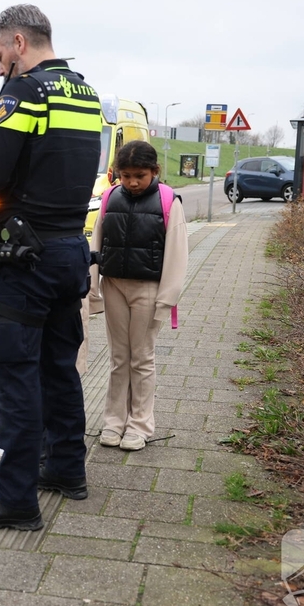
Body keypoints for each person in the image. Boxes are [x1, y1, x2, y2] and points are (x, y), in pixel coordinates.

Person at [0, 5, 102, 531]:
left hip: (25, 259)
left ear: (18, 41)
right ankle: (65, 470)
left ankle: (14, 498)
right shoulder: (86, 93)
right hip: (68, 253)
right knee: (61, 368)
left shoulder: (23, 92)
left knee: (15, 376)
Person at [90, 140, 188, 451]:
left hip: (149, 288)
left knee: (141, 358)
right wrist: (93, 289)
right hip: (114, 285)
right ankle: (114, 422)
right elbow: (96, 244)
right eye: (125, 175)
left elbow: (177, 253)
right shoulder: (108, 198)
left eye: (139, 175)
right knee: (120, 358)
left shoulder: (169, 201)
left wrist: (166, 299)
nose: (132, 182)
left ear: (154, 171)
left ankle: (140, 425)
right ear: (116, 173)